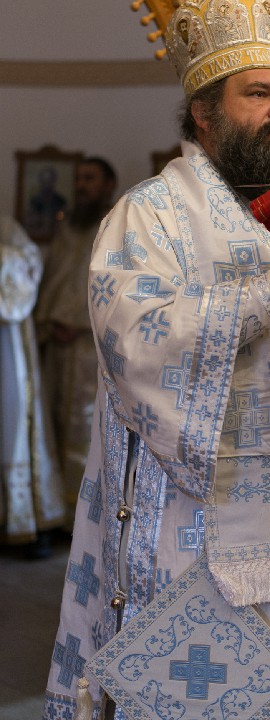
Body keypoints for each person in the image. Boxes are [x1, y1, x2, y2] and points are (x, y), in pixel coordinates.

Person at [42, 0, 270, 720]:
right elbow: (132, 341)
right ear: (204, 111)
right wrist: (269, 295)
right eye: (257, 94)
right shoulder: (149, 214)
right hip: (196, 542)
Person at [35, 157, 117, 528]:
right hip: (58, 348)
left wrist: (81, 325)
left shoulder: (116, 227)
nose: (82, 185)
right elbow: (53, 281)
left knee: (89, 430)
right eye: (79, 179)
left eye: (90, 178)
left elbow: (116, 289)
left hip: (93, 349)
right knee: (51, 425)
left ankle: (85, 519)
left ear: (108, 185)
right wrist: (50, 322)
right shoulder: (65, 229)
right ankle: (54, 511)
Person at [0, 215, 65, 557]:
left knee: (12, 425)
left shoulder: (7, 228)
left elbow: (28, 268)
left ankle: (21, 518)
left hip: (7, 353)